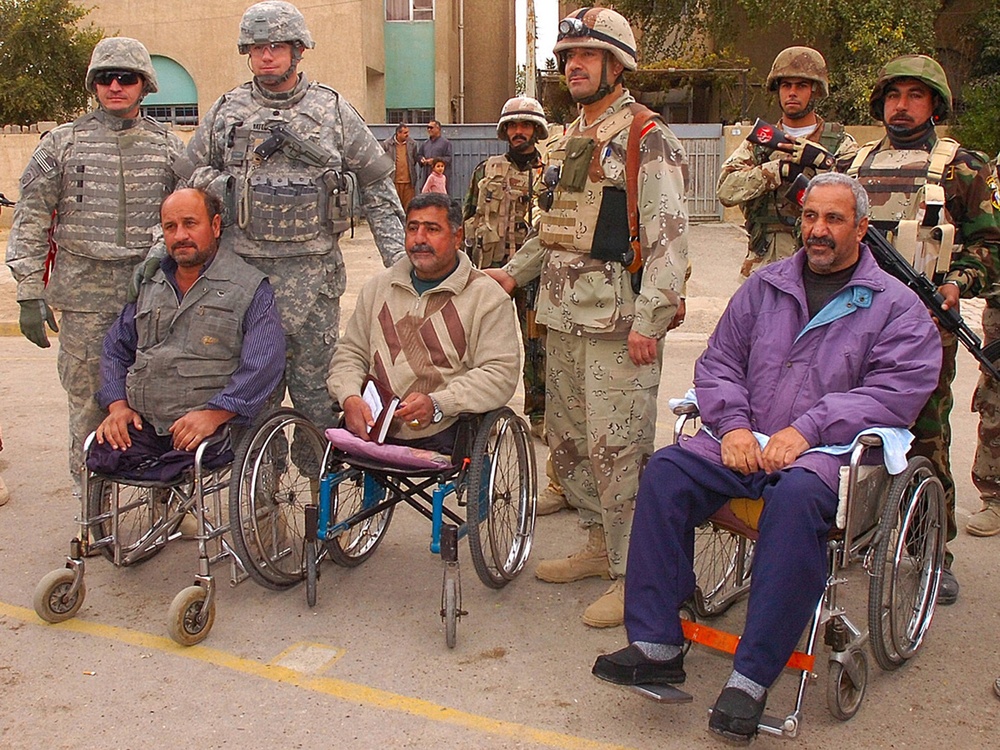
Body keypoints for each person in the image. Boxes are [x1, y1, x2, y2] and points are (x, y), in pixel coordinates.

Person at [592, 173, 941, 743]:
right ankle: (657, 642)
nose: (818, 231)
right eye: (810, 218)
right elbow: (720, 362)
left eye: (833, 220)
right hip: (748, 442)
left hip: (829, 455)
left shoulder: (897, 307)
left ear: (861, 228)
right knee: (666, 470)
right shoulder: (765, 286)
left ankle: (753, 676)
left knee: (798, 496)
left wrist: (806, 430)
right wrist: (731, 426)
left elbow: (893, 394)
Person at [486, 6, 689, 628]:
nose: (573, 64)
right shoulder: (572, 135)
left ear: (616, 65)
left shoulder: (645, 137)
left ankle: (637, 577)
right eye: (568, 55)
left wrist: (649, 323)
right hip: (564, 319)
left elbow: (669, 240)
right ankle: (601, 548)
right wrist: (509, 274)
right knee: (574, 446)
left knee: (619, 450)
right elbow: (557, 229)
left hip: (618, 325)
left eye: (587, 55)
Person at [175, 0, 405, 433]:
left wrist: (400, 266)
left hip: (314, 279)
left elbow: (377, 188)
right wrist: (218, 192)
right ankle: (260, 495)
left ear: (298, 51)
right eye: (258, 47)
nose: (267, 56)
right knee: (250, 395)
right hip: (243, 279)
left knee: (316, 396)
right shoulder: (228, 110)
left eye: (277, 46)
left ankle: (319, 489)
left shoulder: (332, 110)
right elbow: (184, 188)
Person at [843, 54, 1000, 602]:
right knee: (845, 430)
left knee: (923, 438)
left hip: (924, 326)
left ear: (935, 103)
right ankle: (850, 534)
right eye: (893, 95)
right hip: (850, 321)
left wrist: (957, 282)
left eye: (914, 95)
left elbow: (991, 246)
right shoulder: (852, 162)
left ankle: (932, 548)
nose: (901, 106)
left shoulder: (962, 169)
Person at [5, 37, 184, 497]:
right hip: (84, 300)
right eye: (105, 78)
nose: (115, 86)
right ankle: (93, 511)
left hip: (153, 295)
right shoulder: (62, 144)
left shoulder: (169, 147)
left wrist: (156, 254)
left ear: (145, 85)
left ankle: (163, 499)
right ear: (94, 85)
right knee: (88, 407)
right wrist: (29, 289)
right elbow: (30, 217)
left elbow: (189, 215)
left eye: (127, 78)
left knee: (159, 400)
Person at [90, 188, 285, 473]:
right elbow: (115, 349)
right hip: (143, 422)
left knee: (182, 465)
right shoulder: (150, 284)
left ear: (216, 226)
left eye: (190, 224)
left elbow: (264, 364)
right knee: (101, 453)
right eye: (171, 227)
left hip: (210, 428)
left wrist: (215, 414)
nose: (180, 235)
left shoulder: (249, 289)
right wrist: (118, 406)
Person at [327, 192, 520, 452]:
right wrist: (349, 396)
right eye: (413, 228)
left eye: (432, 229)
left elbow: (499, 373)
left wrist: (439, 403)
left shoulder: (486, 298)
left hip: (444, 429)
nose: (420, 239)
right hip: (373, 426)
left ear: (457, 237)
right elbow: (351, 352)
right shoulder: (378, 288)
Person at [463, 95, 568, 514]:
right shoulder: (485, 170)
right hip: (491, 273)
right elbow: (468, 215)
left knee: (538, 348)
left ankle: (538, 414)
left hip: (538, 276)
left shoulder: (552, 174)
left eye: (526, 126)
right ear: (505, 131)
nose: (519, 132)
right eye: (512, 127)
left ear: (538, 131)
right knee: (484, 346)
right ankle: (480, 413)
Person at [718, 46, 857, 280]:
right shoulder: (761, 143)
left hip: (824, 261)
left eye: (801, 86)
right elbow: (726, 191)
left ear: (815, 91)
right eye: (786, 85)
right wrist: (776, 170)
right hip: (766, 261)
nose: (792, 93)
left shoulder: (839, 143)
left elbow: (859, 200)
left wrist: (823, 163)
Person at [382, 123, 420, 211]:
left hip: (408, 182)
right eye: (405, 133)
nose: (407, 135)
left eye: (408, 132)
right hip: (393, 181)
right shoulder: (387, 144)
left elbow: (413, 160)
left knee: (409, 207)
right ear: (398, 133)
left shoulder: (412, 144)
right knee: (394, 206)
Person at [418, 120, 453, 196]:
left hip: (440, 178)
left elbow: (449, 158)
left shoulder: (445, 143)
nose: (429, 130)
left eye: (431, 128)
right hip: (428, 176)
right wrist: (422, 160)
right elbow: (419, 155)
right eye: (428, 128)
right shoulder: (425, 143)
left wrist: (435, 161)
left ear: (438, 129)